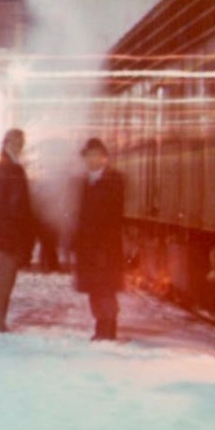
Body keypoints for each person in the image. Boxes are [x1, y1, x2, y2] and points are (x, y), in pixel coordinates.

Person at [73, 138, 125, 341]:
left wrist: (102, 242)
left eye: (95, 155)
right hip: (87, 245)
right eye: (88, 156)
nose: (91, 160)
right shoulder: (84, 181)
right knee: (94, 288)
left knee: (106, 288)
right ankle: (99, 326)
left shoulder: (113, 180)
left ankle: (109, 328)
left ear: (104, 158)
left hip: (105, 244)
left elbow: (113, 215)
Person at [0, 129, 33, 332]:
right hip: (8, 232)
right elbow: (7, 204)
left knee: (6, 280)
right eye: (14, 141)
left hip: (8, 231)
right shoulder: (8, 168)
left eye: (20, 142)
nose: (18, 145)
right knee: (3, 280)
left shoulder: (7, 166)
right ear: (6, 143)